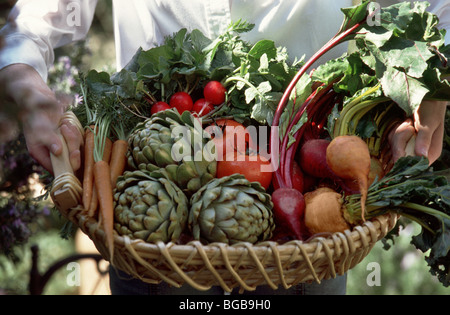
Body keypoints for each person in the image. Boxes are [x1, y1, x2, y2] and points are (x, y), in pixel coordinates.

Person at [0, 0, 448, 295]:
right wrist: (27, 88)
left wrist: (427, 106)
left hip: (313, 240)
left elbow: (435, 11)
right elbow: (35, 21)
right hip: (147, 251)